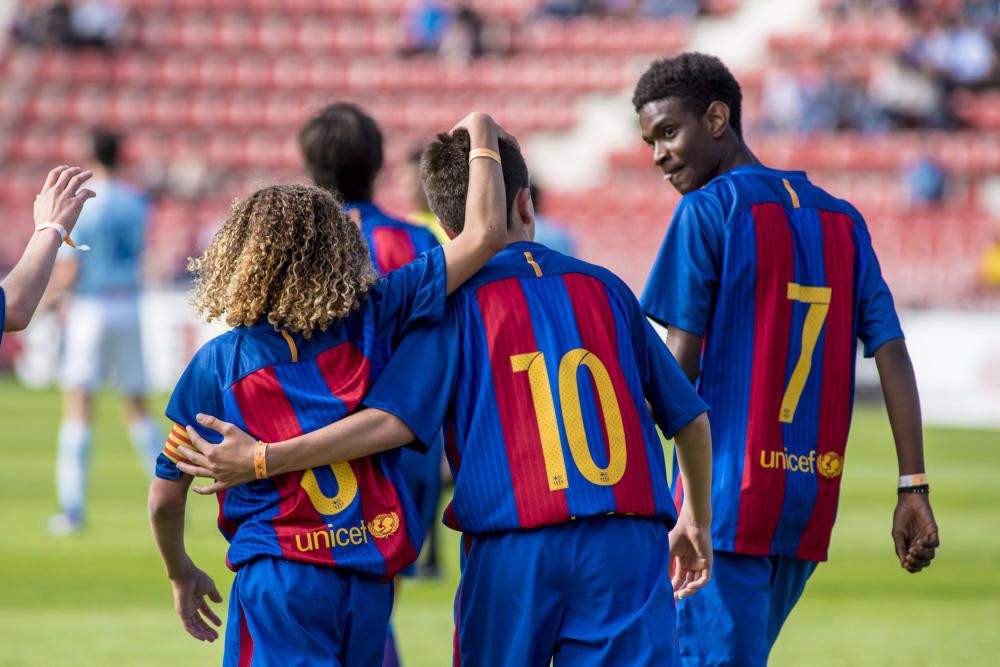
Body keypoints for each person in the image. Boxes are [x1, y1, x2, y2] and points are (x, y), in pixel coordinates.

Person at [171, 122, 714, 667]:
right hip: (628, 537)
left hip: (511, 542)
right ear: (526, 203)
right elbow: (690, 417)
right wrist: (695, 517)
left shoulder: (450, 308)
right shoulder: (608, 288)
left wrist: (264, 459)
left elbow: (391, 422)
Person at [147, 112, 509, 666]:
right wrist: (482, 135)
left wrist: (180, 572)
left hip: (280, 576)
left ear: (238, 262)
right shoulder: (378, 311)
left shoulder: (216, 368)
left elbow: (165, 501)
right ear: (342, 247)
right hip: (368, 570)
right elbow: (484, 233)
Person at [633, 52, 939, 666]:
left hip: (718, 500)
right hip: (804, 499)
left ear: (718, 118)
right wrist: (914, 486)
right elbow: (891, 351)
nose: (659, 154)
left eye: (669, 132)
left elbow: (678, 367)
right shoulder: (843, 220)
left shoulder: (706, 211)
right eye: (649, 141)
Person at [299, 102, 446, 665]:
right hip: (399, 444)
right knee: (378, 594)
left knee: (321, 589)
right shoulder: (418, 242)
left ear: (310, 164)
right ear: (379, 161)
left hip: (314, 446)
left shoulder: (298, 246)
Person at [46, 129, 162, 536]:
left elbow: (72, 267)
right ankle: (167, 493)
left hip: (91, 307)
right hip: (128, 304)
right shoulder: (136, 201)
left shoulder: (86, 205)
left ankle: (72, 509)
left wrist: (45, 302)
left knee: (78, 406)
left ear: (90, 155)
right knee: (137, 406)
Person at [2, 166, 96, 339]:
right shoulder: (133, 199)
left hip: (89, 305)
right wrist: (50, 228)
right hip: (121, 301)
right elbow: (12, 309)